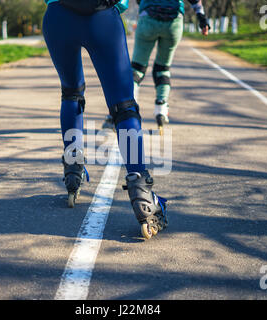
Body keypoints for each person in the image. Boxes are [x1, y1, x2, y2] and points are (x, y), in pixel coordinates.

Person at [42, 0, 167, 239]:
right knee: (123, 106)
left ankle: (72, 170)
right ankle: (142, 193)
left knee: (71, 92)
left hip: (58, 17)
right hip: (102, 18)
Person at [126, 0, 209, 134]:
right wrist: (202, 19)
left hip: (148, 19)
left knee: (137, 68)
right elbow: (196, 2)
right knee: (162, 68)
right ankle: (161, 108)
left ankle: (128, 107)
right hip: (173, 23)